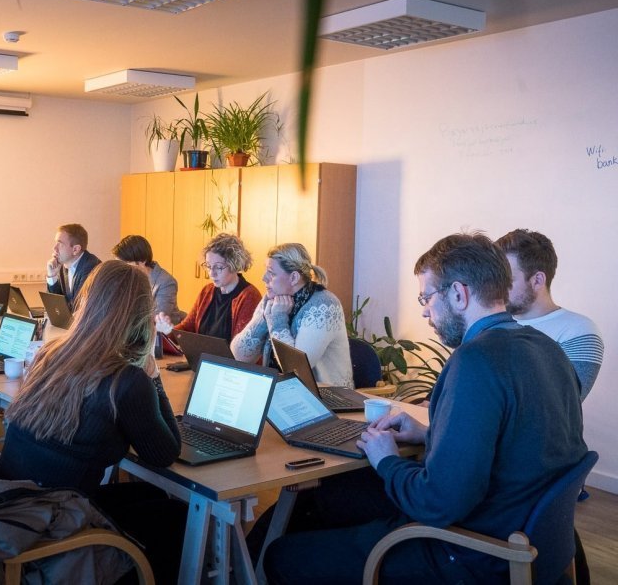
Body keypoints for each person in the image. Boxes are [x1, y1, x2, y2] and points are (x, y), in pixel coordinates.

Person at [259, 232, 587, 584]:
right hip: (519, 529)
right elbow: (513, 443)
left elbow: (437, 503)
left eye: (426, 297)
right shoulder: (547, 349)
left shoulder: (475, 361)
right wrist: (431, 434)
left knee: (281, 557)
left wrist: (387, 460)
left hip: (469, 552)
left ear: (458, 293)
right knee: (324, 496)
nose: (424, 310)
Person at [0, 260, 185, 583]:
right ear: (142, 314)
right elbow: (166, 452)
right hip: (53, 523)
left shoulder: (51, 354)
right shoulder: (127, 380)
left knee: (149, 496)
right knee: (176, 514)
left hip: (12, 511)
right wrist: (153, 376)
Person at [495, 229, 604, 400]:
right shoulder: (492, 326)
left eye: (507, 280)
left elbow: (559, 404)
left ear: (538, 280)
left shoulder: (578, 331)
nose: (497, 288)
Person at [231, 243, 352, 386]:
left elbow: (296, 371)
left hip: (326, 395)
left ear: (294, 277)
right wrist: (265, 317)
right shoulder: (272, 299)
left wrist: (277, 320)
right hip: (281, 389)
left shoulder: (324, 305)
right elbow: (239, 356)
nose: (264, 278)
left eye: (271, 273)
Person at [155, 232, 261, 342]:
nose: (211, 273)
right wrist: (169, 331)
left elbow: (241, 346)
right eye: (209, 266)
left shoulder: (249, 296)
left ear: (234, 265)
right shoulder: (207, 291)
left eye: (218, 267)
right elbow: (187, 329)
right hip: (201, 353)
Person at [112, 234, 186, 323]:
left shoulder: (166, 282)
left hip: (161, 330)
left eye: (125, 264)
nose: (122, 269)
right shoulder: (127, 277)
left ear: (142, 261)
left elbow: (156, 318)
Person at [46, 223, 101, 311]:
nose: (54, 248)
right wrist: (52, 276)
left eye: (60, 244)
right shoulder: (63, 265)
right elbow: (56, 307)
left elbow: (79, 309)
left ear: (75, 249)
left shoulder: (92, 268)